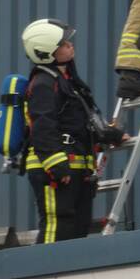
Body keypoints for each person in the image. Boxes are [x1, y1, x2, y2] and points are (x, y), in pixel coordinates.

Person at [21, 19, 126, 243]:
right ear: (46, 52)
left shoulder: (68, 82)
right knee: (57, 225)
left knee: (78, 228)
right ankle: (47, 273)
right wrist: (56, 164)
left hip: (78, 168)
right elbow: (42, 125)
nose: (70, 45)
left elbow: (80, 122)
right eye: (63, 43)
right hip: (53, 170)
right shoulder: (43, 84)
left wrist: (112, 134)